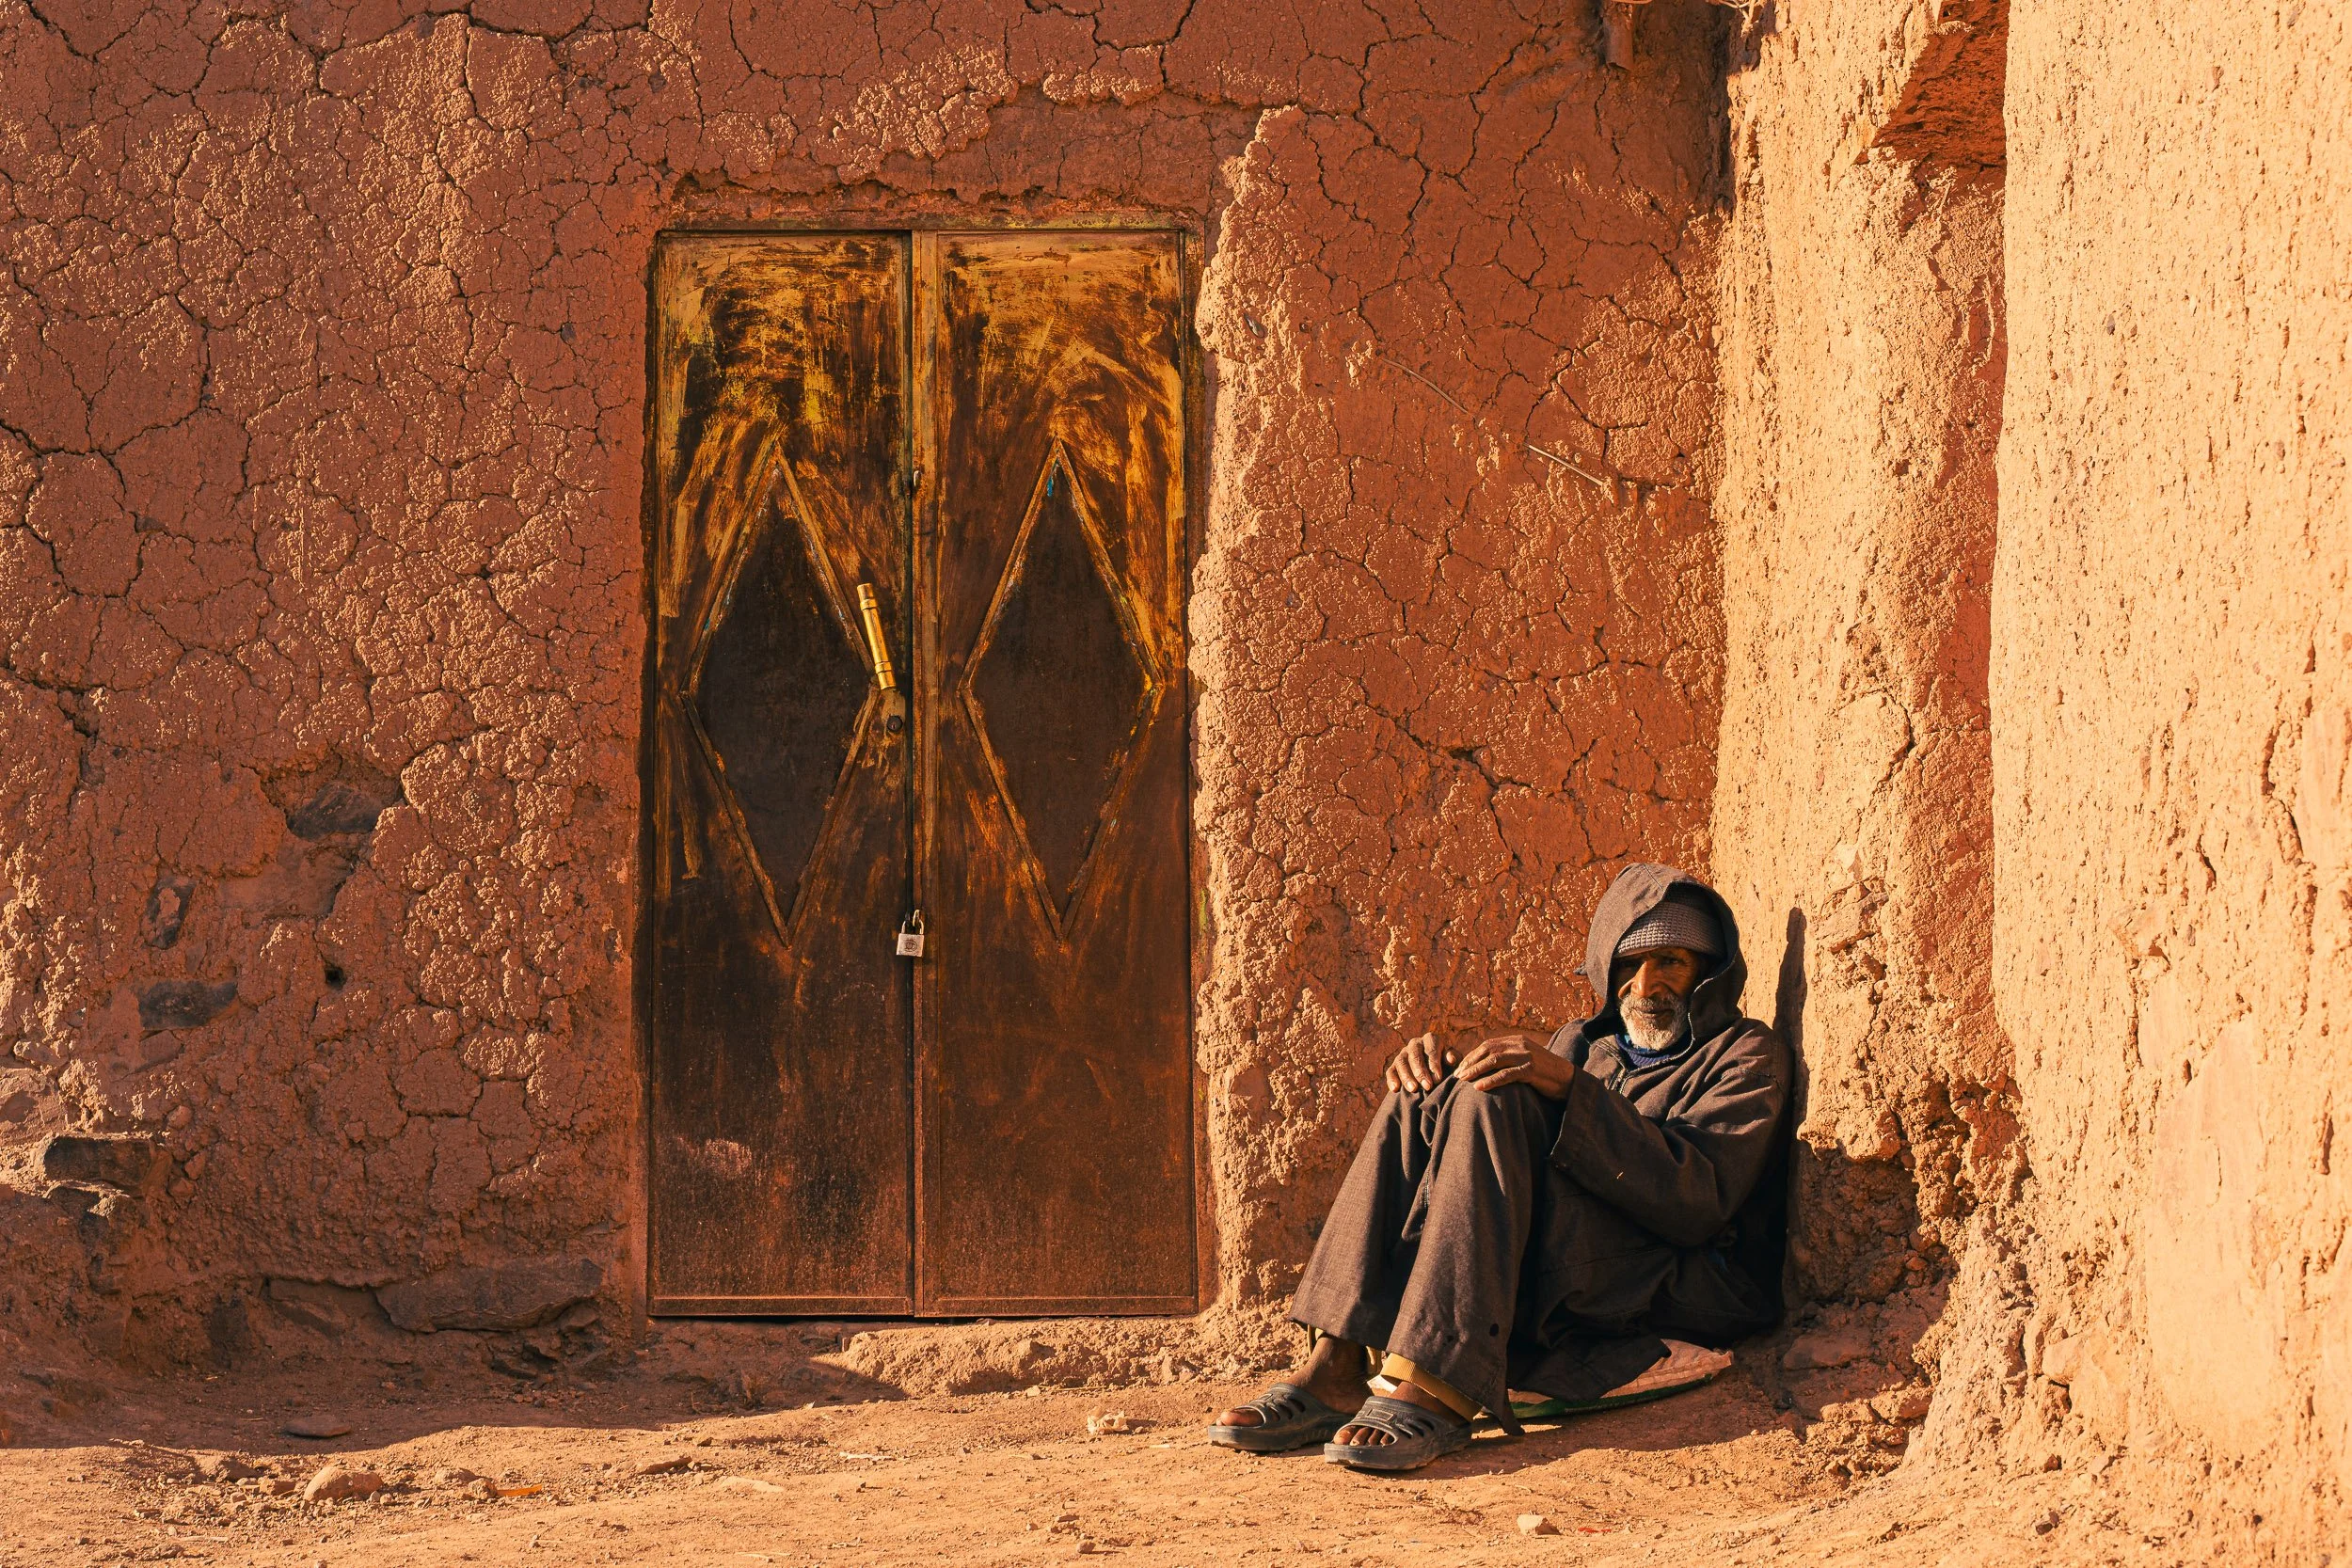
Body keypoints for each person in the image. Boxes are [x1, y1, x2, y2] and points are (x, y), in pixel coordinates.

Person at [1207, 863, 1792, 1472]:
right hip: (1583, 1264)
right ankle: (1339, 1357)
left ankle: (1440, 1377)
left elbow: (1698, 1202)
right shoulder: (1588, 1043)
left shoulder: (1746, 1053)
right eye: (1628, 963)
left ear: (1710, 973)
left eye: (1671, 961)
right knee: (1421, 1092)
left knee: (1497, 1095)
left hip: (1678, 1279)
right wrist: (1445, 1078)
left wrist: (1568, 1087)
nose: (1645, 984)